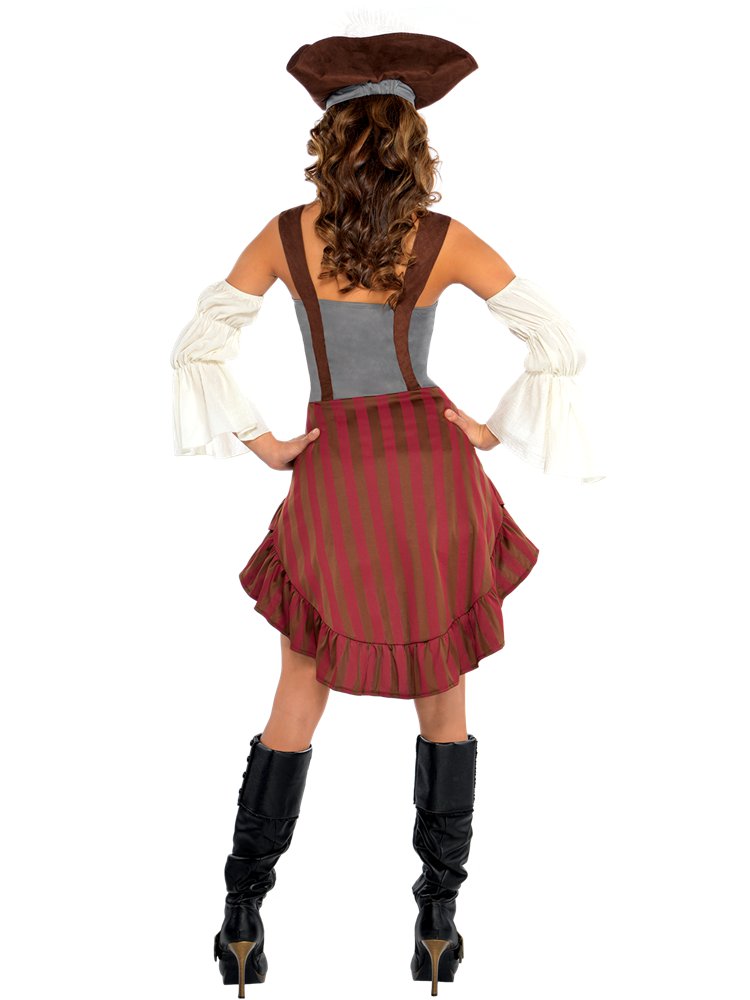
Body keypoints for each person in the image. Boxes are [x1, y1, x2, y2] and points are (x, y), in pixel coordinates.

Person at [170, 27, 606, 998]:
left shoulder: (286, 236)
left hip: (335, 477)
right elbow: (556, 338)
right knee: (442, 690)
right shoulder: (441, 241)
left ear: (329, 142)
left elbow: (198, 346)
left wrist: (267, 444)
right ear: (412, 145)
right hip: (432, 480)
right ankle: (438, 922)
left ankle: (241, 915)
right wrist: (488, 428)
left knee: (299, 686)